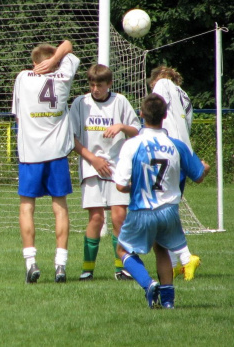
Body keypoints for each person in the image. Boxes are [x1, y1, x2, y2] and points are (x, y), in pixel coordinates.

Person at [112, 93, 209, 308]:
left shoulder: (132, 144)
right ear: (165, 115)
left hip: (142, 209)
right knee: (162, 249)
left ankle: (149, 284)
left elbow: (120, 184)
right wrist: (206, 168)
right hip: (169, 211)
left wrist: (136, 187)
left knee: (123, 250)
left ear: (141, 115)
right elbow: (199, 175)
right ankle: (168, 302)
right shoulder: (177, 145)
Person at [12, 40, 80, 283]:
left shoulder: (22, 78)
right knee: (60, 207)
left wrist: (47, 62)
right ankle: (60, 265)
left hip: (30, 155)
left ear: (34, 63)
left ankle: (31, 263)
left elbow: (18, 117)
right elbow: (69, 45)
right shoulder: (64, 75)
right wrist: (56, 60)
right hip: (56, 154)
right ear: (55, 62)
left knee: (26, 207)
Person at [70, 64, 141, 281]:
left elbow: (137, 130)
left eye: (99, 85)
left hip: (117, 168)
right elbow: (71, 138)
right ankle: (87, 270)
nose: (95, 89)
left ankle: (122, 268)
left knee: (119, 216)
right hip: (91, 167)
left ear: (109, 84)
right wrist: (93, 159)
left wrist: (121, 126)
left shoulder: (119, 101)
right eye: (91, 85)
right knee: (97, 218)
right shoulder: (80, 103)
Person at [149, 65, 201, 280]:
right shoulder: (185, 95)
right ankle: (173, 264)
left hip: (166, 153)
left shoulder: (162, 85)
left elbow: (155, 112)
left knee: (159, 210)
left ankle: (187, 258)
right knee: (169, 209)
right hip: (182, 154)